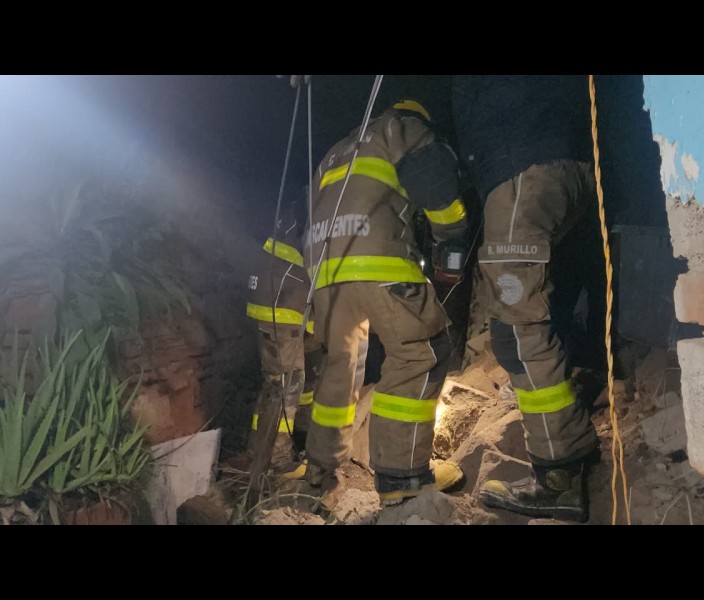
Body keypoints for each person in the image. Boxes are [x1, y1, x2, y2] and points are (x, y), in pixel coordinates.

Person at [303, 98, 469, 506]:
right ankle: (402, 475)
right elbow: (435, 184)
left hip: (324, 272)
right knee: (421, 352)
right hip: (379, 260)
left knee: (340, 362)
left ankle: (319, 467)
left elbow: (312, 209)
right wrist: (452, 237)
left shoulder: (337, 150)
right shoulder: (403, 127)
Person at [451, 75, 600, 522]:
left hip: (521, 170)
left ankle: (559, 475)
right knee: (546, 304)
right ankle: (568, 427)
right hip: (566, 165)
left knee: (517, 332)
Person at [242, 197, 321, 472]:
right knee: (287, 386)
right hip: (283, 310)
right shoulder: (313, 215)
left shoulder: (294, 215)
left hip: (273, 306)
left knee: (279, 384)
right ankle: (277, 459)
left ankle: (261, 448)